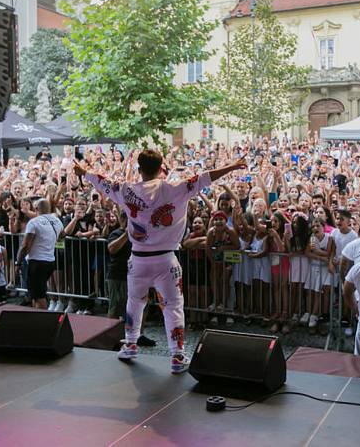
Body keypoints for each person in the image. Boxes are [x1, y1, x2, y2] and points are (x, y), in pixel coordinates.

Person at [76, 149, 245, 374]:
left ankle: (131, 345)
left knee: (134, 303)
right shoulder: (176, 189)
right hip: (166, 260)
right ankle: (176, 355)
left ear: (139, 169)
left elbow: (103, 182)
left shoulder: (127, 191)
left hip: (138, 260)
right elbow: (205, 177)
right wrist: (233, 166)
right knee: (173, 307)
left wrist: (84, 172)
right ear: (161, 167)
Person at [14, 199, 64, 310]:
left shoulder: (34, 222)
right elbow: (62, 235)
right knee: (37, 294)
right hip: (50, 261)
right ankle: (36, 318)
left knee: (39, 296)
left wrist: (18, 262)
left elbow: (25, 246)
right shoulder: (57, 221)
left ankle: (43, 322)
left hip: (36, 263)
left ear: (36, 209)